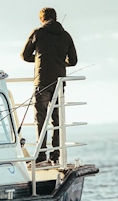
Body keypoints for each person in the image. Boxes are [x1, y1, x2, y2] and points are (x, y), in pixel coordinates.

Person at [20, 7, 77, 163]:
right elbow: (73, 61)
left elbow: (24, 55)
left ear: (41, 19)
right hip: (59, 83)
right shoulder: (66, 35)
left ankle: (40, 154)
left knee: (41, 118)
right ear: (56, 17)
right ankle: (56, 154)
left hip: (42, 80)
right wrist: (59, 61)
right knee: (56, 119)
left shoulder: (38, 33)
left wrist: (39, 58)